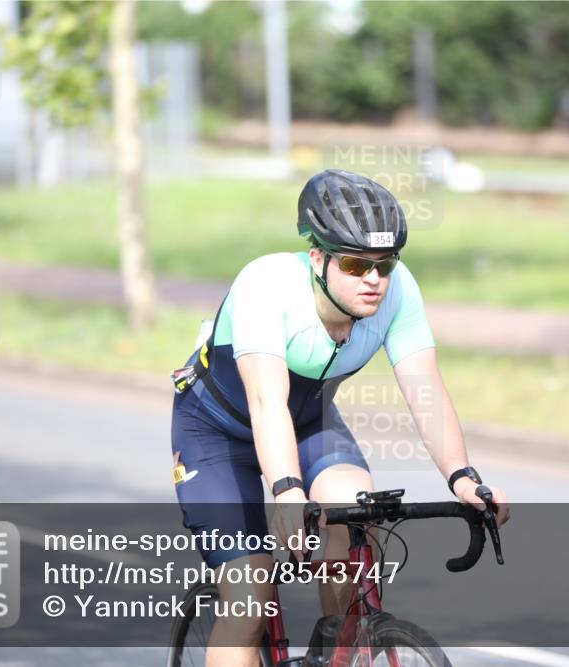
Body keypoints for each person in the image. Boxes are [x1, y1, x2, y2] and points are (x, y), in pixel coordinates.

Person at [170, 168, 510, 667]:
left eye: (385, 263)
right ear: (317, 259)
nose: (373, 279)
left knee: (357, 519)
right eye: (354, 264)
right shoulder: (266, 285)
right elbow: (266, 402)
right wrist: (287, 493)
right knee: (249, 601)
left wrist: (462, 477)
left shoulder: (397, 292)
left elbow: (426, 390)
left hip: (307, 423)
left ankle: (335, 645)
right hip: (217, 434)